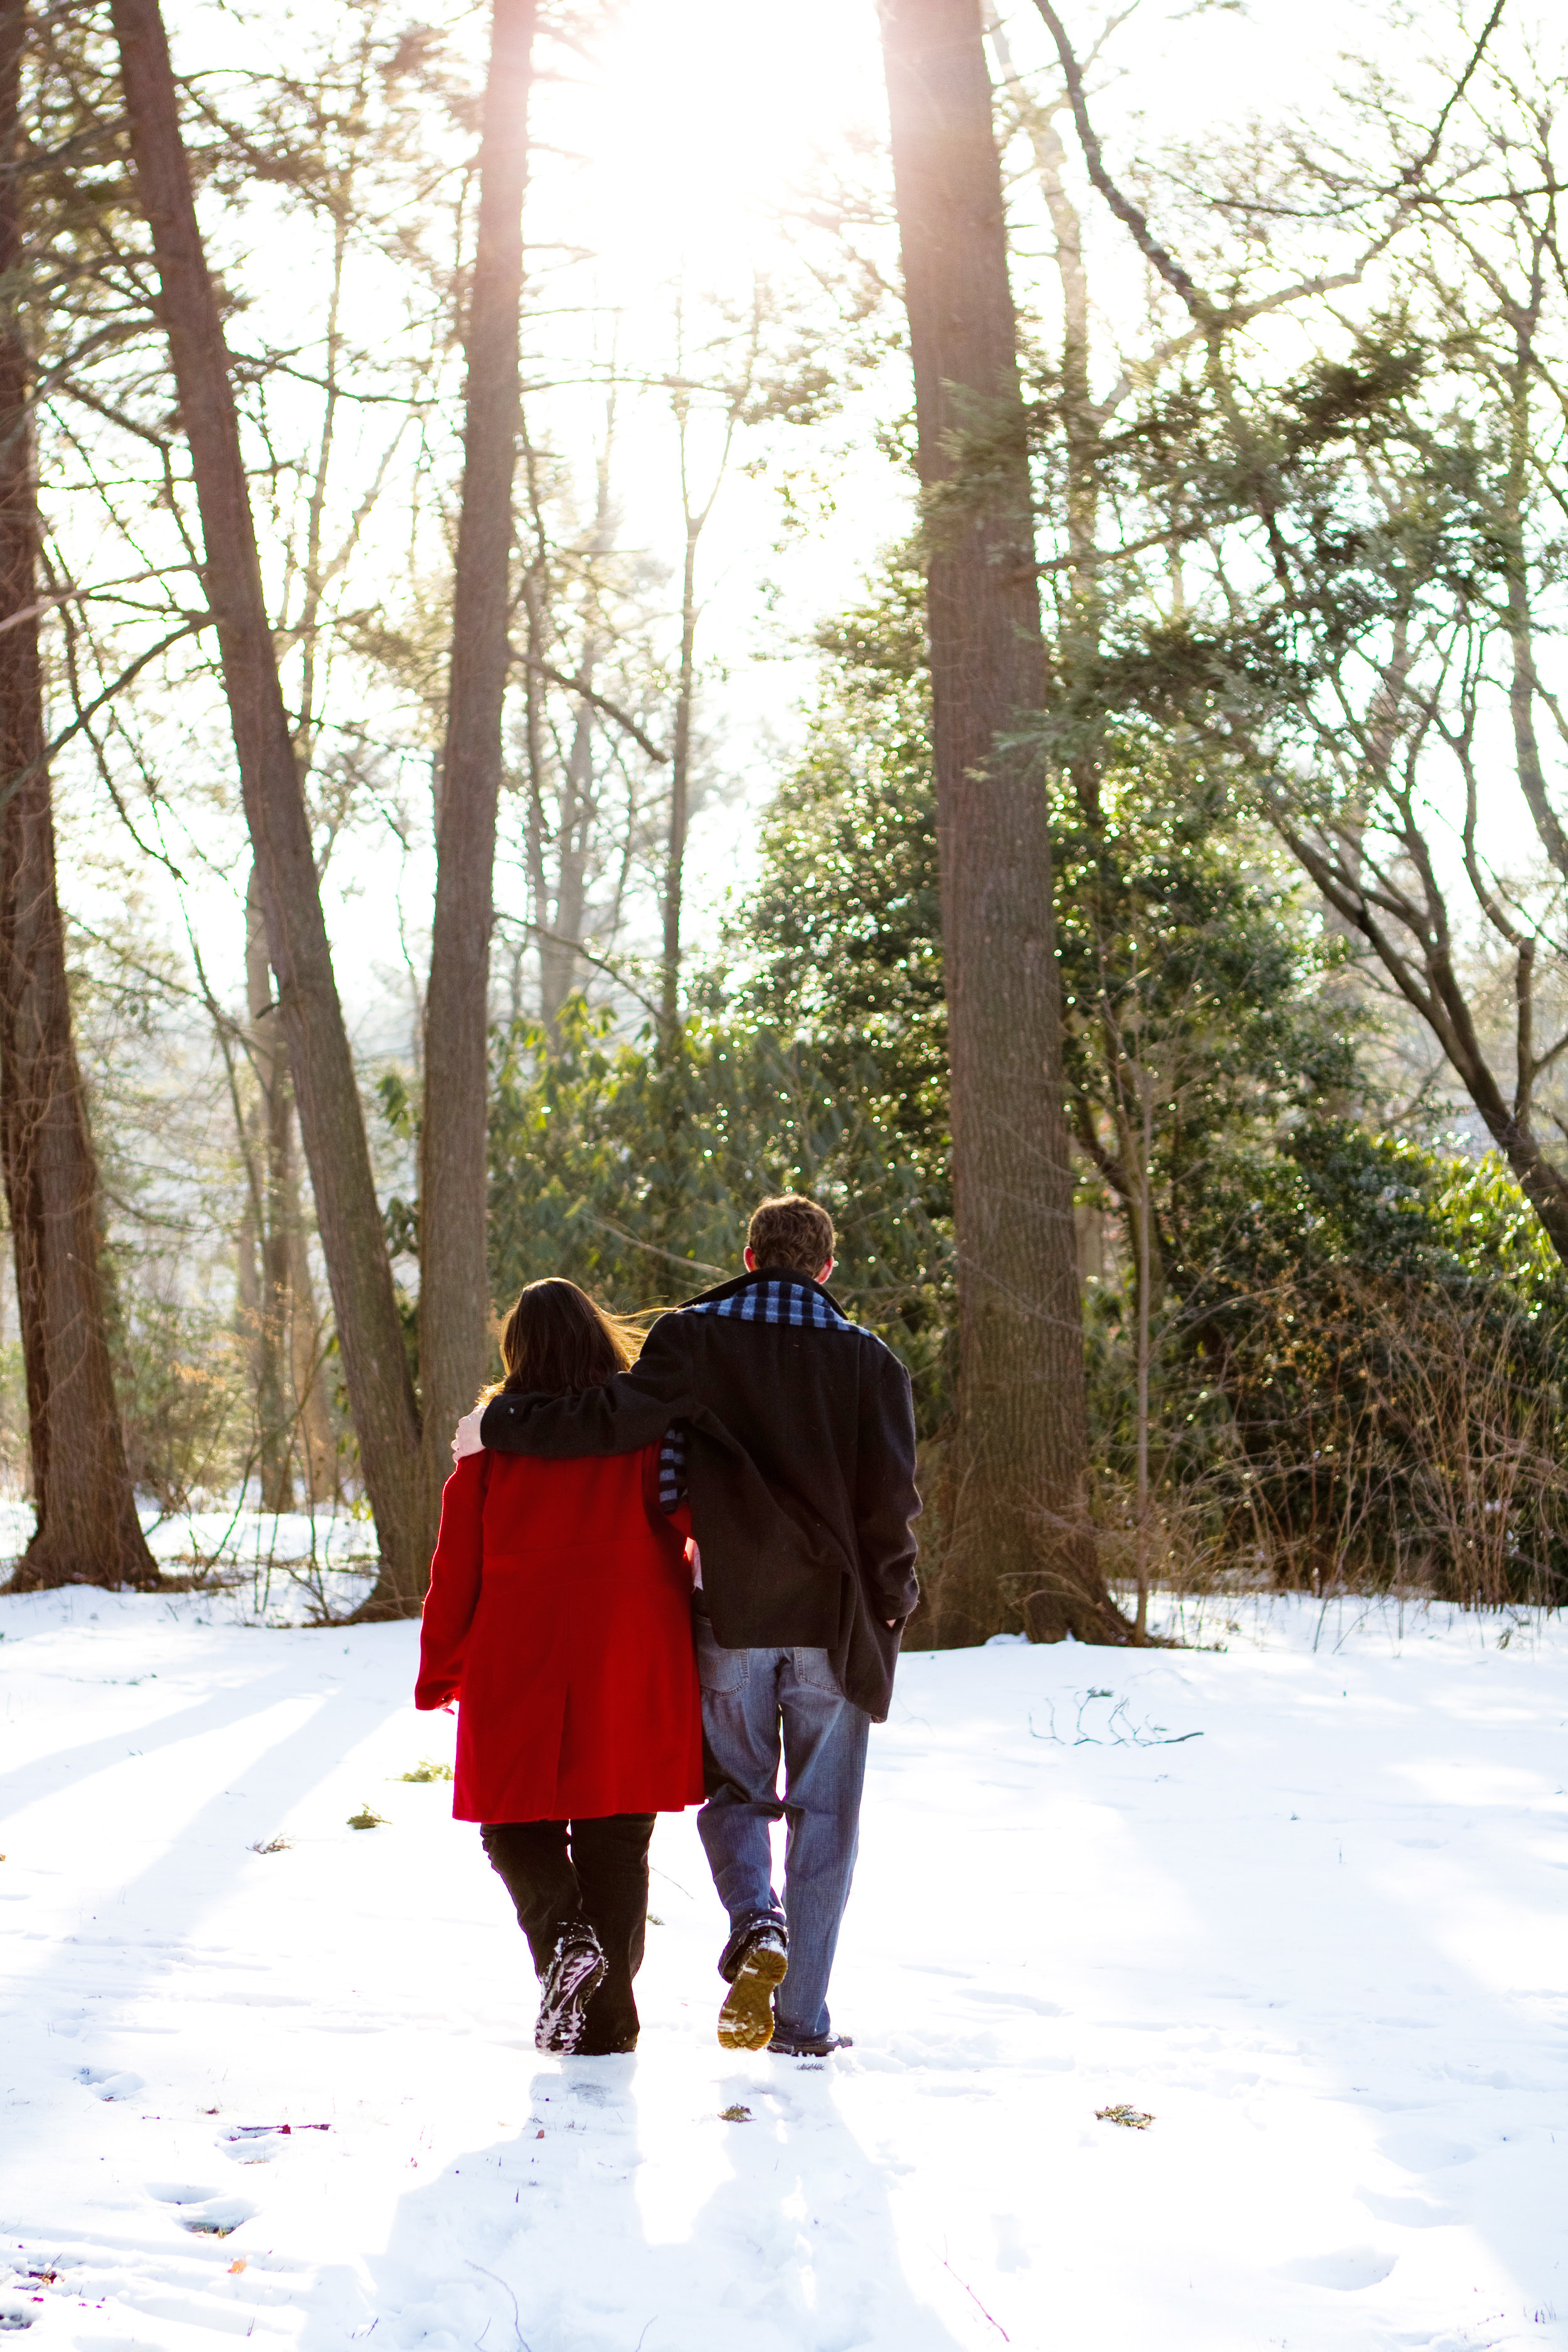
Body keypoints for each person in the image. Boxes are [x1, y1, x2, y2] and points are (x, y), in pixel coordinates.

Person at [452, 1194, 921, 2059]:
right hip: (834, 1620)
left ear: (748, 1256)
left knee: (737, 1791)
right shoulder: (873, 1362)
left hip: (733, 1614)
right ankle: (802, 2021)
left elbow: (609, 1420)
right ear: (826, 1269)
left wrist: (499, 1423)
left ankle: (756, 1926)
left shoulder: (694, 1337)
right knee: (828, 1817)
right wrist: (892, 1603)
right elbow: (892, 1508)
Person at [416, 1278, 703, 2057]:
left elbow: (457, 1570)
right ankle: (606, 2027)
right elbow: (691, 1526)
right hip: (632, 1645)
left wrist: (441, 1667)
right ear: (603, 1338)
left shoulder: (487, 1449)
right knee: (616, 1838)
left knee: (513, 1828)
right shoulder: (647, 1431)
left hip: (522, 1646)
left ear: (518, 1353)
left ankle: (569, 1945)